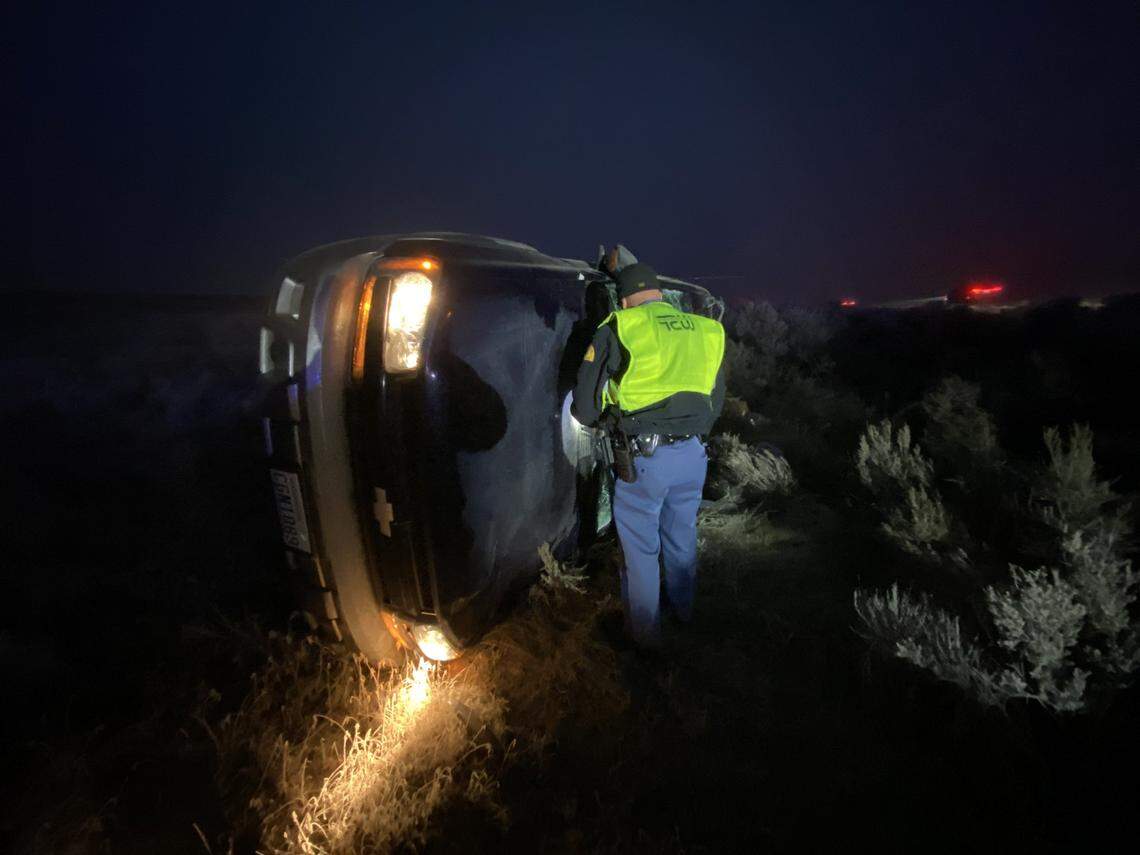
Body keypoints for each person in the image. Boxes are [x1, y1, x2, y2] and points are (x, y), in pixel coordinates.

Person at [571, 260, 726, 648]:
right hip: (693, 455)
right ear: (658, 292)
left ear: (624, 299)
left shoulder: (620, 327)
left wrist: (606, 414)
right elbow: (716, 397)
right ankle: (684, 613)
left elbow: (585, 408)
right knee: (681, 535)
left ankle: (644, 638)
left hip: (645, 461)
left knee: (641, 549)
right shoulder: (707, 331)